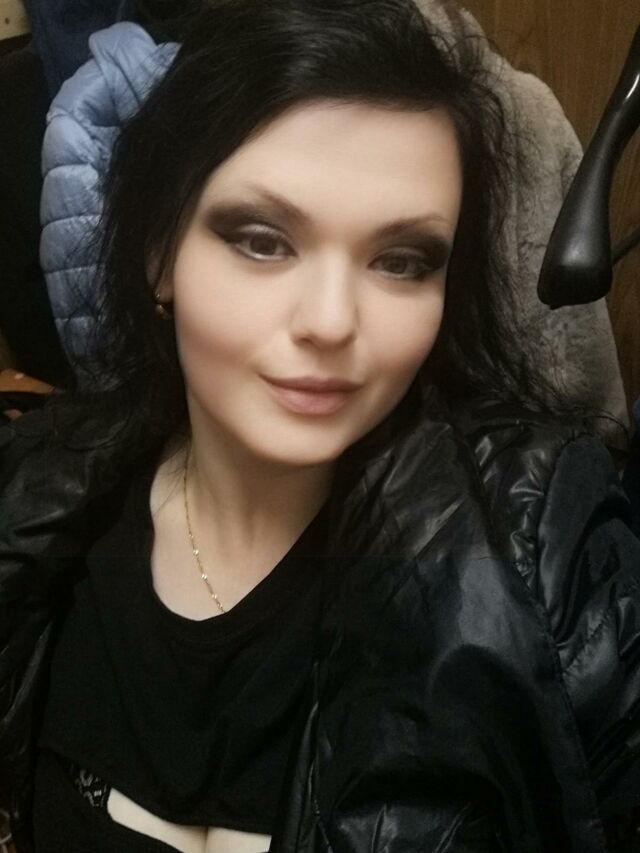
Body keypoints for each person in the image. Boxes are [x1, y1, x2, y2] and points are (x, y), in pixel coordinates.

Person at [1, 1, 639, 851]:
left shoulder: (549, 549)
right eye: (263, 241)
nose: (332, 321)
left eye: (401, 261)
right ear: (159, 253)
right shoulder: (33, 505)